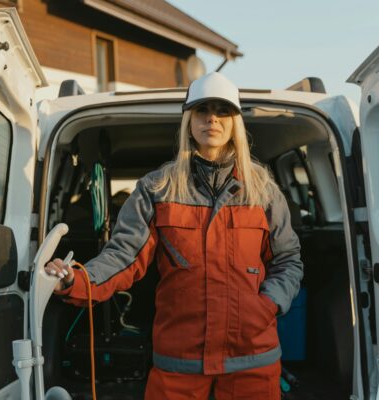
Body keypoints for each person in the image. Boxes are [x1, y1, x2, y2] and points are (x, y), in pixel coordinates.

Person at [45, 72, 303, 400]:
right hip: (180, 358)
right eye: (202, 110)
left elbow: (288, 261)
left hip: (251, 358)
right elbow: (123, 256)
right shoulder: (156, 188)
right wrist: (75, 279)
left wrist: (266, 305)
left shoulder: (264, 191)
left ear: (235, 121)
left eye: (222, 111)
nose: (212, 118)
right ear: (188, 120)